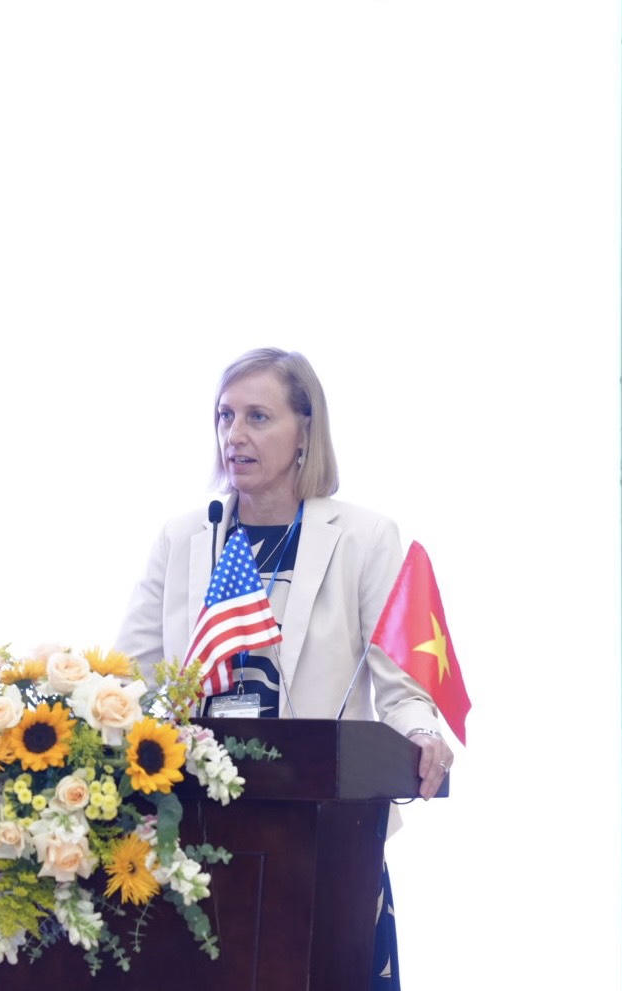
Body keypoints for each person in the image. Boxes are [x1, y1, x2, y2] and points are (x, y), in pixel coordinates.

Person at [112, 346, 452, 989]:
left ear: (305, 432)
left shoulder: (364, 537)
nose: (235, 434)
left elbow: (400, 683)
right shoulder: (186, 536)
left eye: (258, 417)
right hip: (197, 829)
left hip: (323, 833)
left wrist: (421, 731)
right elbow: (128, 677)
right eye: (225, 416)